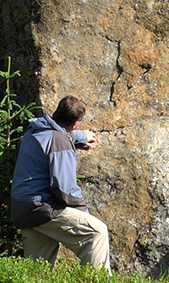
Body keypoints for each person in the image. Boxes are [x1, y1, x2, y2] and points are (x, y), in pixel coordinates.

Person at [10, 95, 111, 270]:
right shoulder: (60, 142)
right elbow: (64, 189)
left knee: (37, 272)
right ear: (76, 123)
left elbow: (55, 135)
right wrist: (84, 212)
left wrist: (79, 137)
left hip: (23, 210)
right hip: (42, 208)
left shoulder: (35, 129)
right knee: (97, 232)